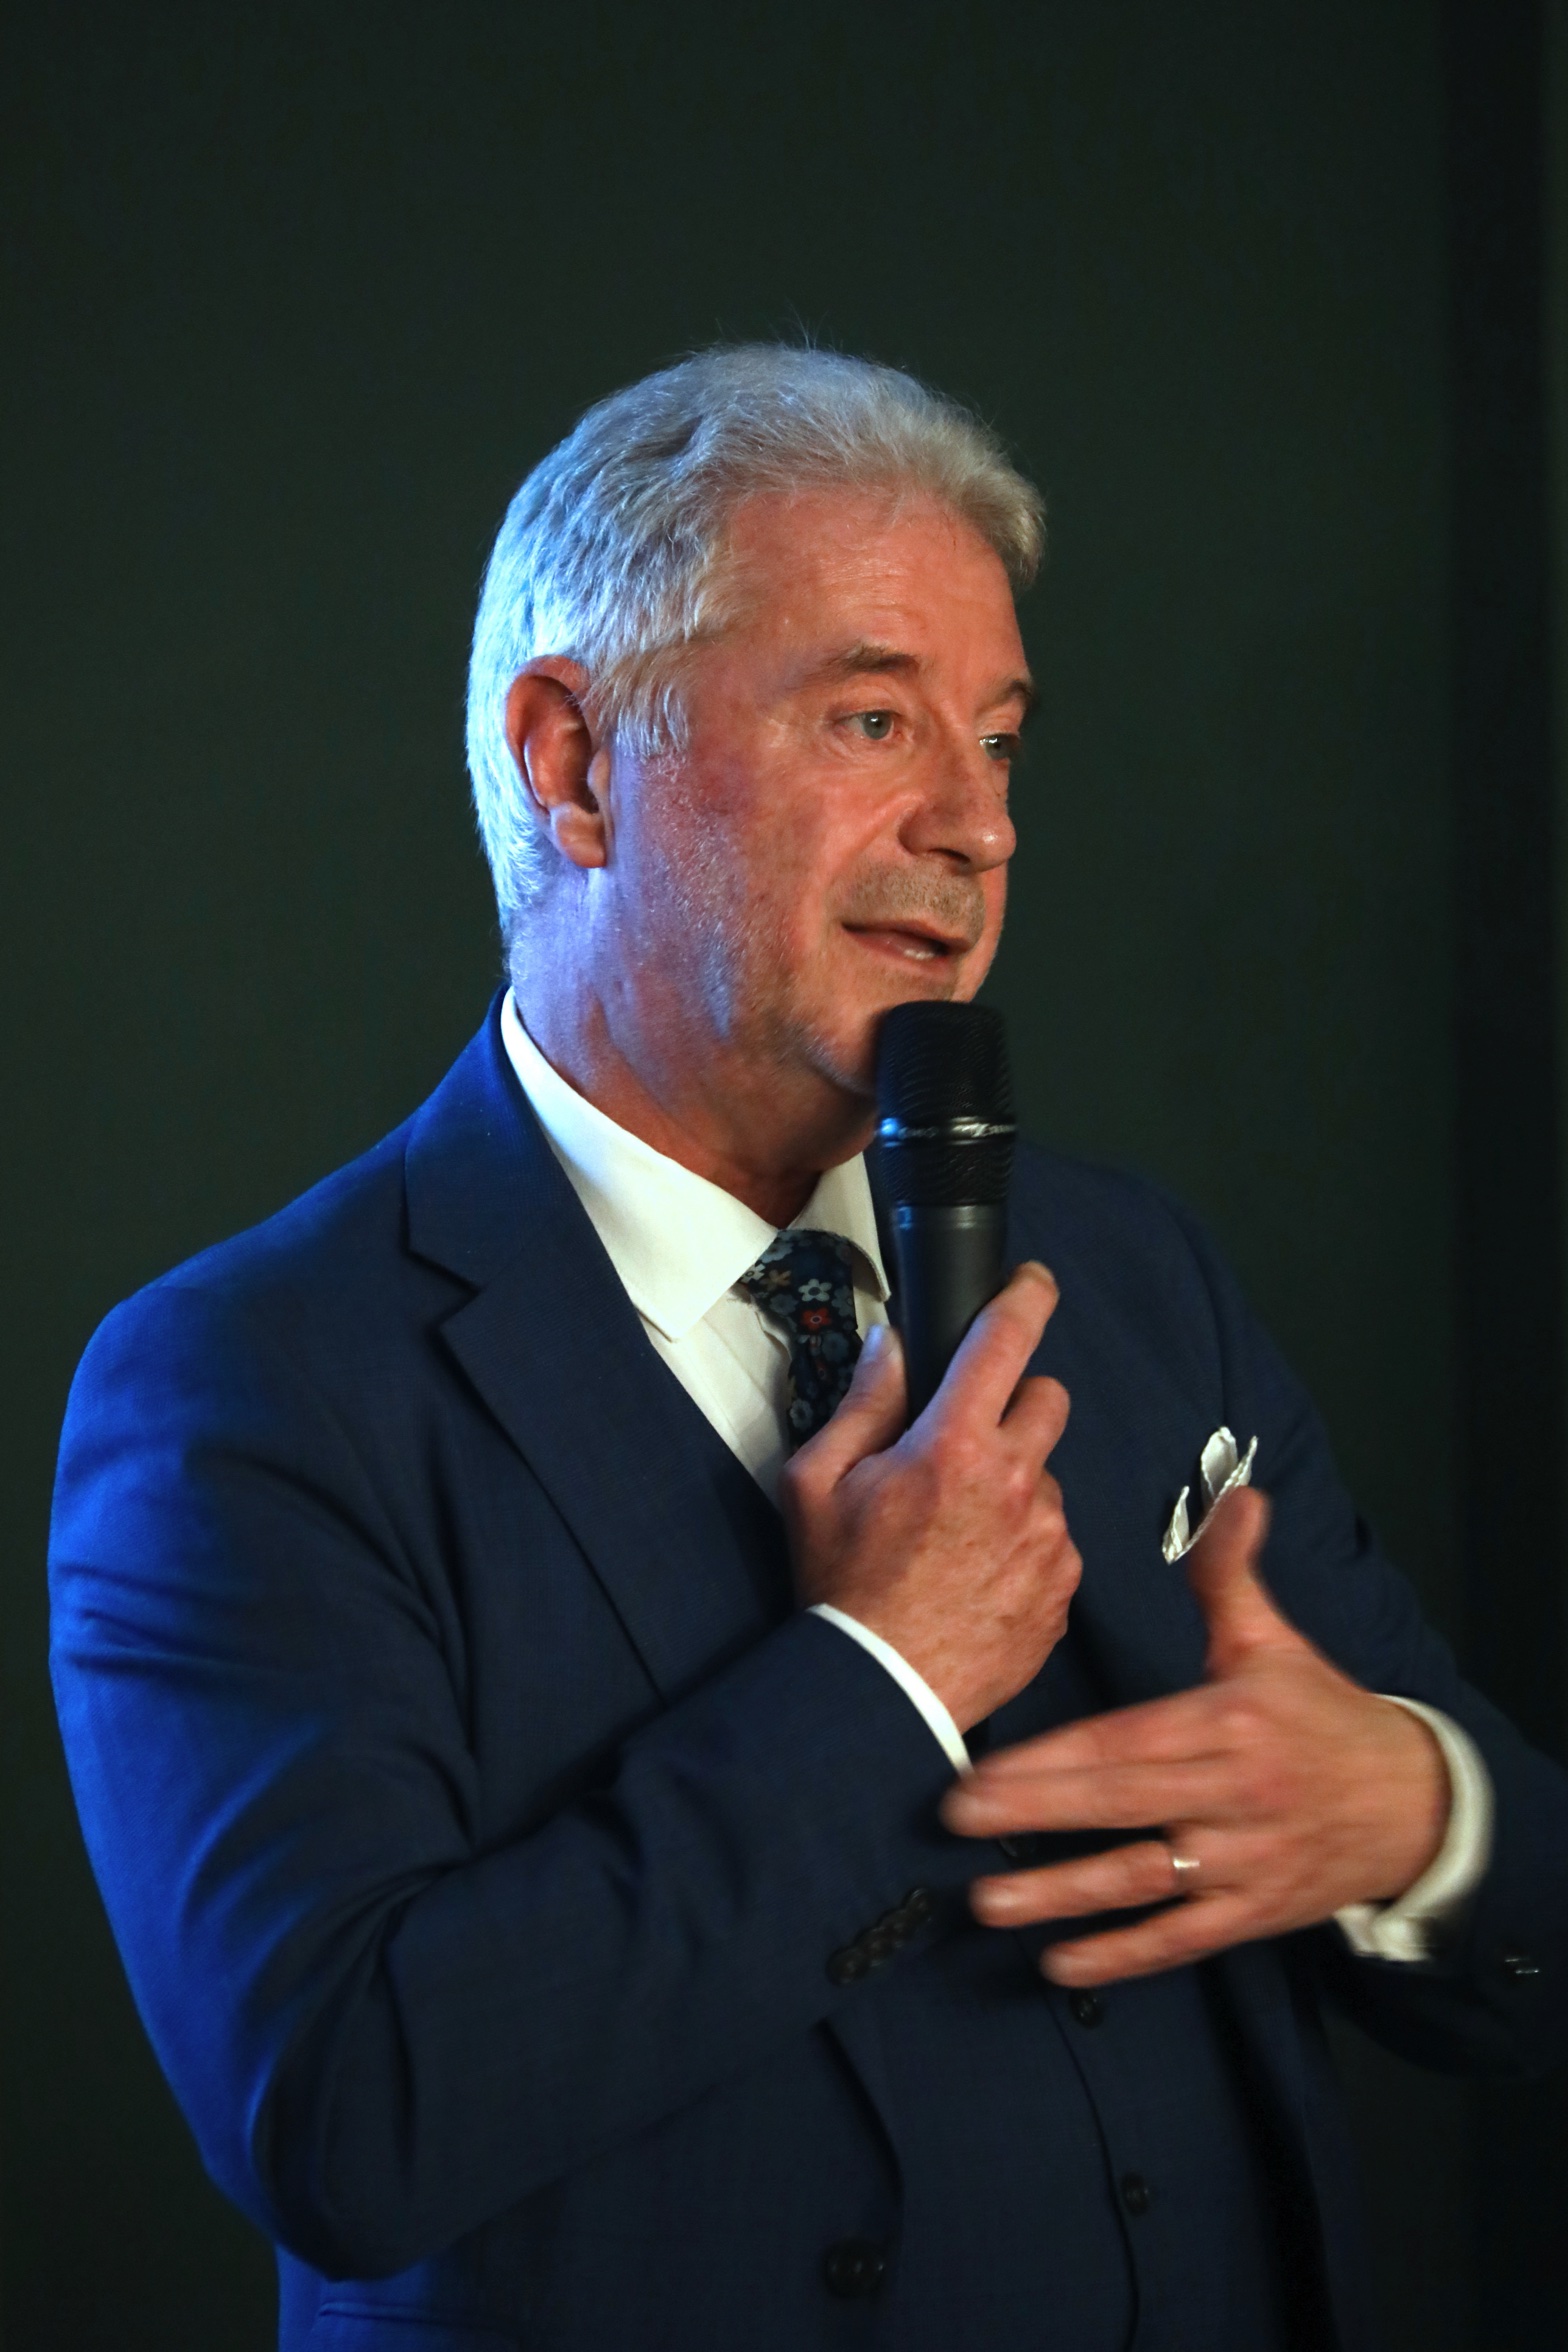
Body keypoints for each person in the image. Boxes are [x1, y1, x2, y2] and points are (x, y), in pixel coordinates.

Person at [50, 346, 1568, 2352]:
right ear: (575, 767)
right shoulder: (247, 1390)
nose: (979, 824)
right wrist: (880, 1679)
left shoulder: (1133, 1272)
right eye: (873, 717)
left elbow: (1526, 1925)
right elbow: (344, 2116)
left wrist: (1415, 1814)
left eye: (999, 739)